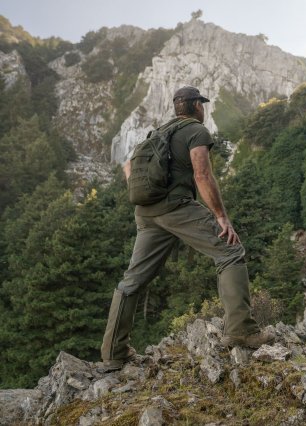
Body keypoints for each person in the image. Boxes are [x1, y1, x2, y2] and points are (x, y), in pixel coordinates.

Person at [99, 86, 274, 373]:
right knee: (230, 251)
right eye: (202, 104)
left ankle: (113, 353)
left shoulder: (158, 132)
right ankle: (241, 330)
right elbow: (202, 174)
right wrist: (221, 217)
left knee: (133, 280)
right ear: (195, 106)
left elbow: (128, 166)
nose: (203, 109)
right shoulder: (196, 131)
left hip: (146, 214)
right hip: (176, 208)